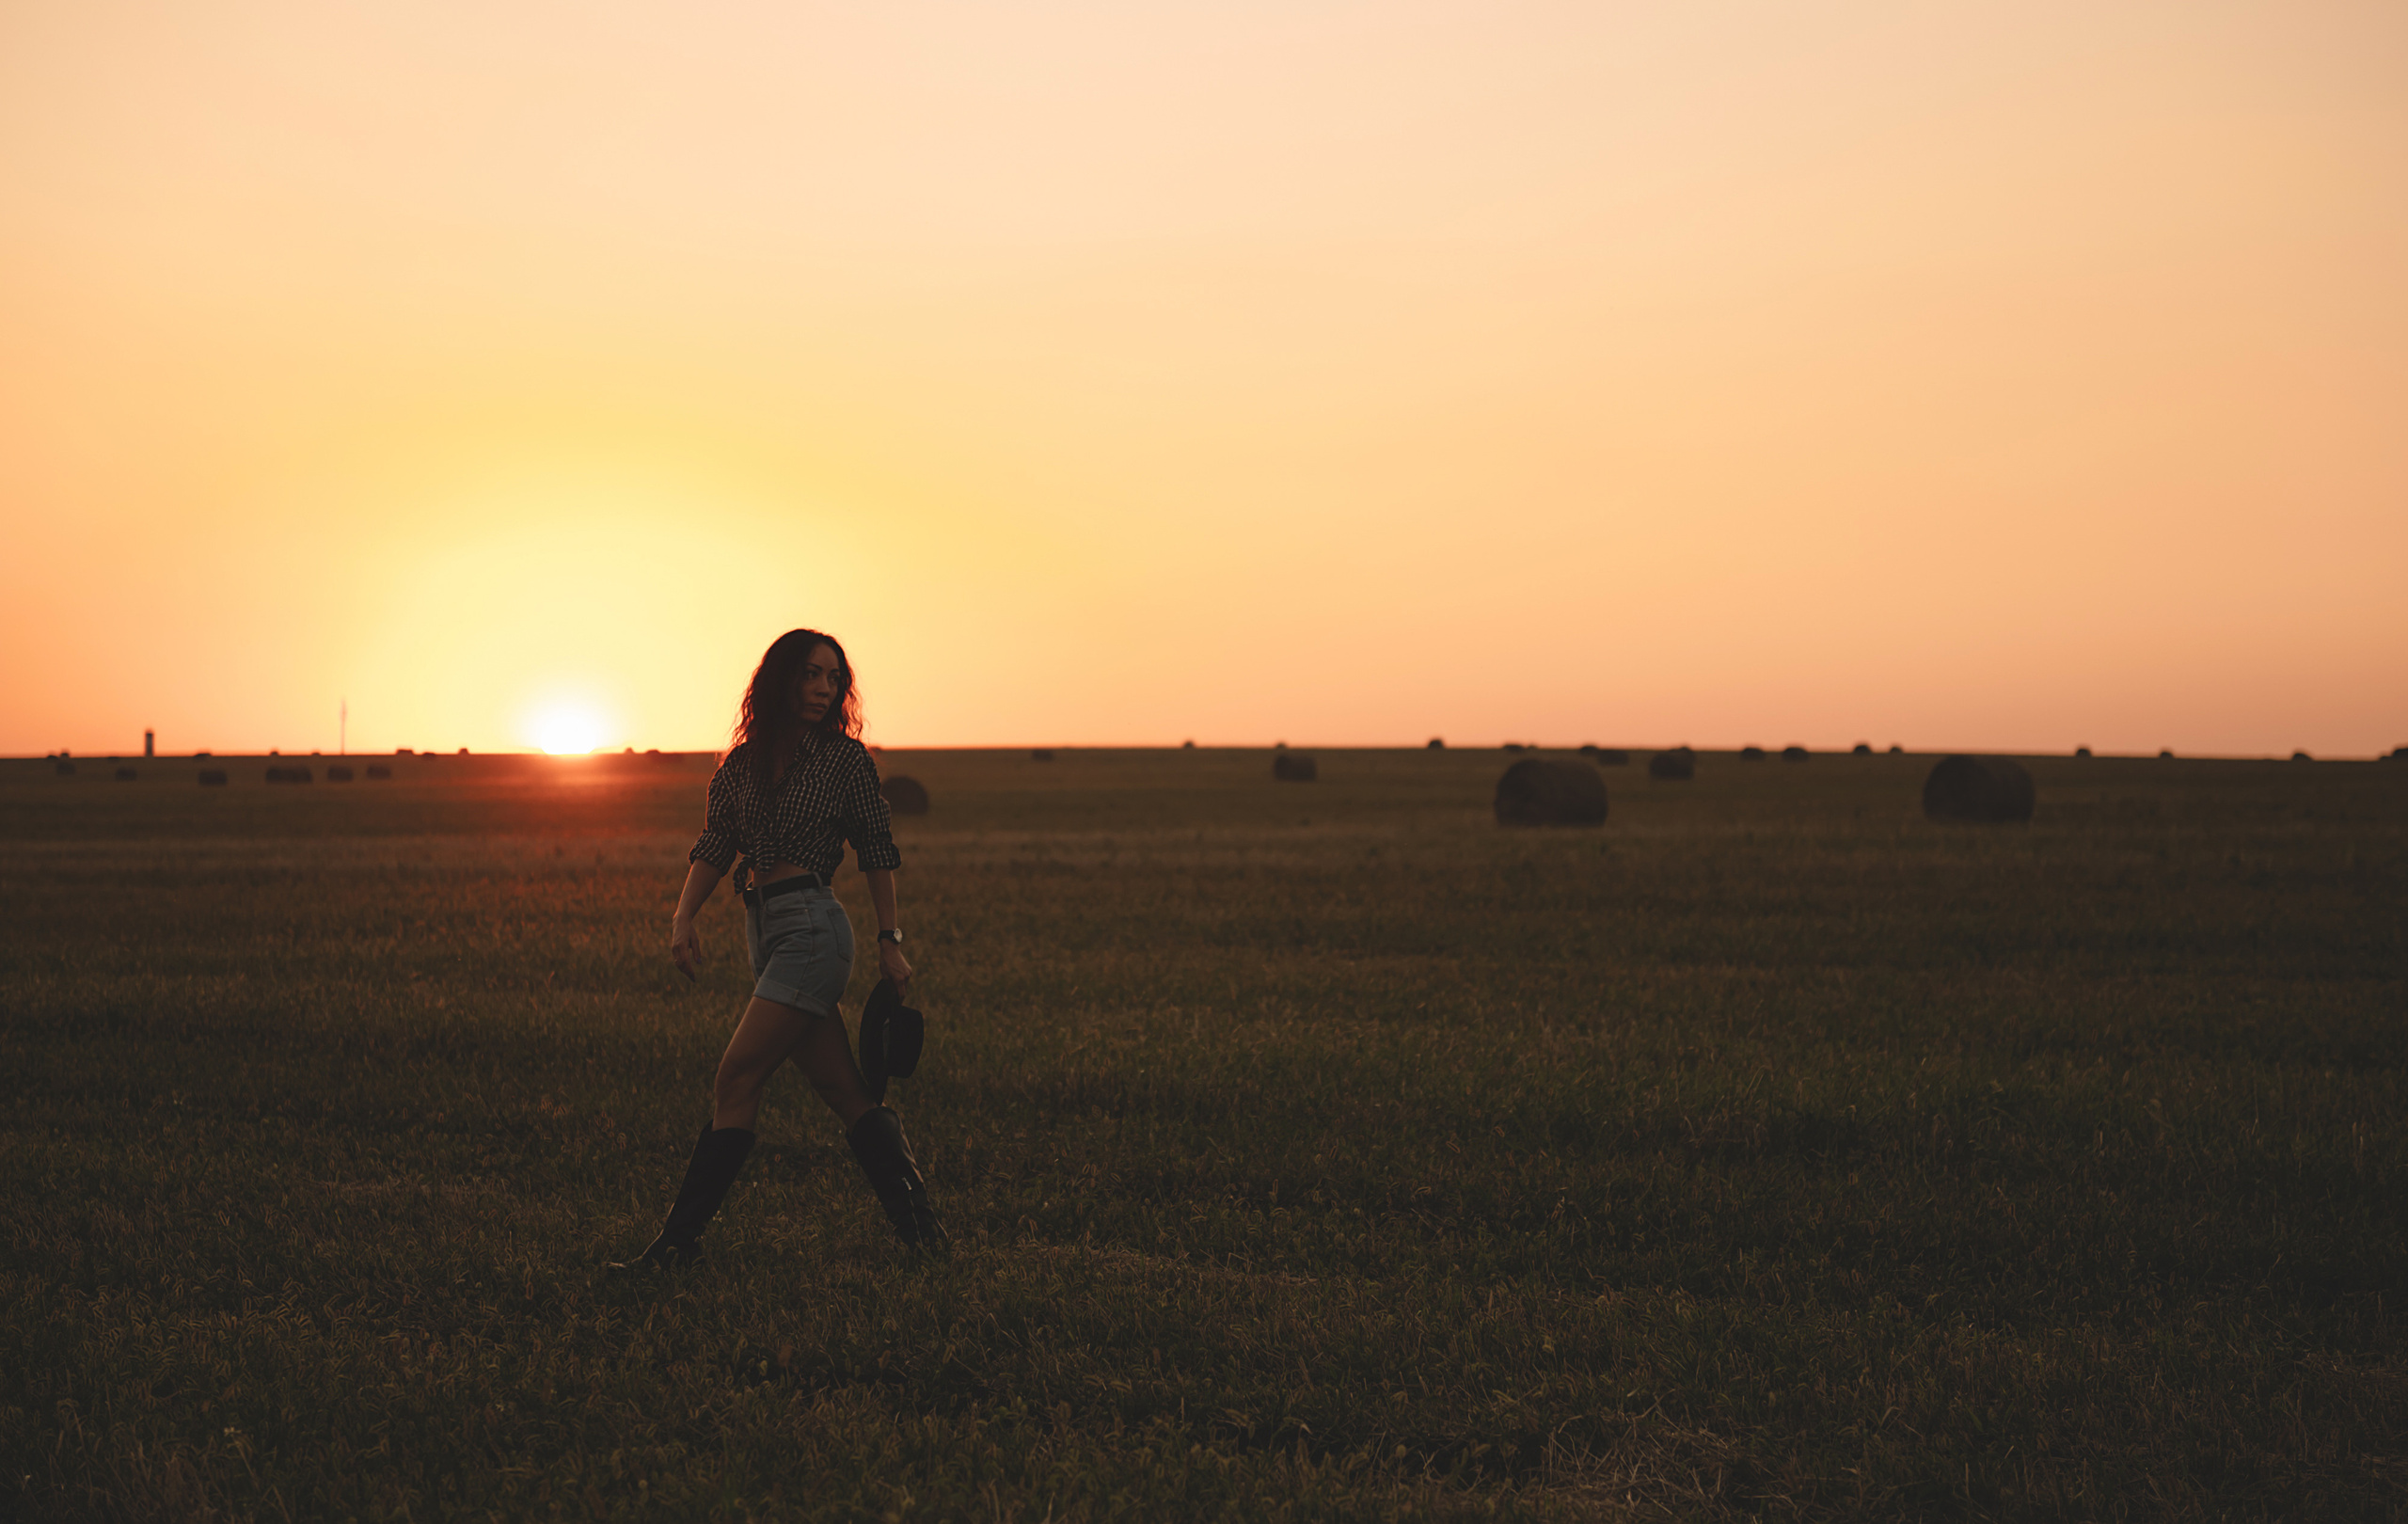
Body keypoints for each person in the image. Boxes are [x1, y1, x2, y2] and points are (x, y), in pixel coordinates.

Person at [610, 628, 943, 1267]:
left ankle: (676, 1247)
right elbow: (716, 845)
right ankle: (924, 1240)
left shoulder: (844, 762)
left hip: (814, 930)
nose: (824, 689)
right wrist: (683, 917)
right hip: (763, 929)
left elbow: (878, 850)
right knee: (845, 1092)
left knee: (736, 1075)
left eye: (834, 679)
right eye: (812, 675)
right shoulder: (740, 766)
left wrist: (889, 942)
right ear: (781, 679)